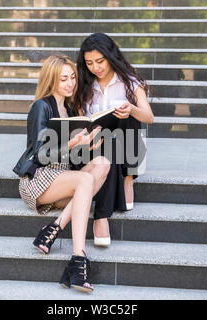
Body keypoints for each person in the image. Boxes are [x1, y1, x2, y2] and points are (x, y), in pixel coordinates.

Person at [13, 54, 110, 293]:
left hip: (61, 177)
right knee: (86, 180)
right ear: (51, 80)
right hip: (38, 180)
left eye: (72, 77)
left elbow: (68, 157)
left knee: (103, 163)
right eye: (63, 79)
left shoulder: (67, 107)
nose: (70, 83)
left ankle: (52, 229)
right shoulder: (41, 106)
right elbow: (40, 154)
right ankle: (78, 260)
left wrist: (85, 146)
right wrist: (70, 144)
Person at [74, 33, 154, 247]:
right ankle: (101, 217)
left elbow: (149, 117)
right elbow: (82, 120)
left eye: (100, 61)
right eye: (89, 63)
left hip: (122, 143)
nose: (95, 67)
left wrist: (132, 109)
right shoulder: (84, 84)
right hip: (95, 146)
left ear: (111, 56)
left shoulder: (130, 81)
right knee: (105, 139)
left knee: (128, 119)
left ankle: (127, 179)